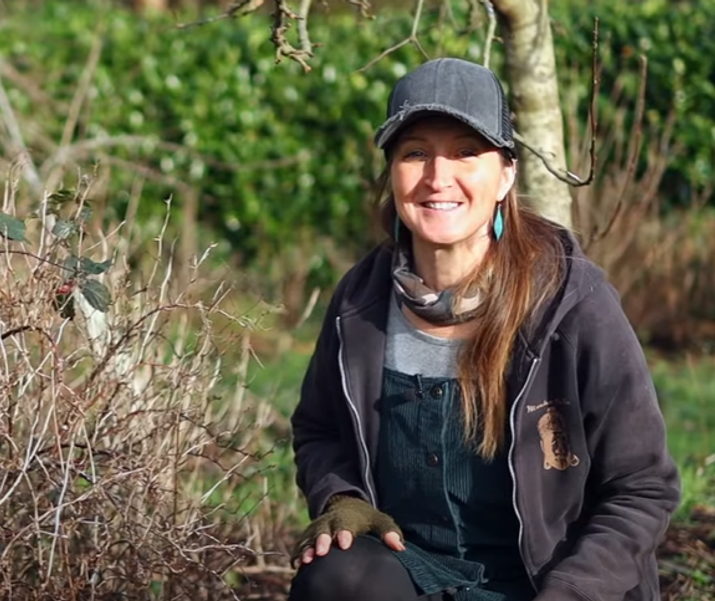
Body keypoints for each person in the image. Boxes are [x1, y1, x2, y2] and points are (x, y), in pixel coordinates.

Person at [287, 57, 681, 601]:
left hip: (551, 580)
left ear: (506, 175)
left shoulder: (573, 303)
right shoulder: (361, 299)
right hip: (412, 572)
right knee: (336, 578)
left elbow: (642, 487)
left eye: (466, 152)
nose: (436, 177)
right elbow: (320, 429)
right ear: (392, 172)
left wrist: (576, 591)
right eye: (415, 153)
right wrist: (340, 497)